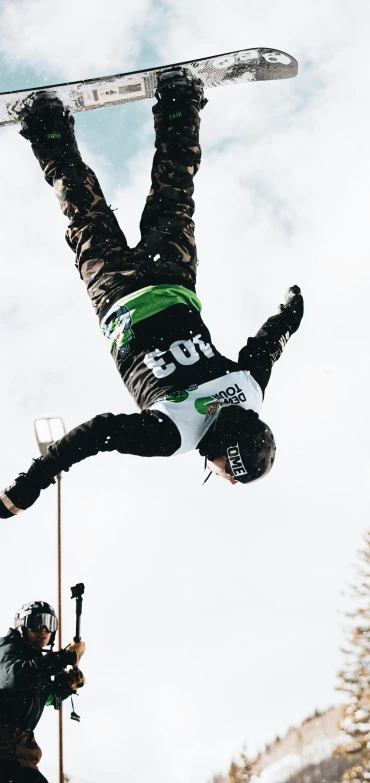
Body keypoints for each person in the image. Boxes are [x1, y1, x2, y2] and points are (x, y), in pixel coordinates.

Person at [0, 67, 303, 520]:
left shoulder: (248, 393)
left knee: (174, 191)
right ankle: (47, 123)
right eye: (225, 471)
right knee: (84, 209)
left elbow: (267, 348)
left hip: (171, 276)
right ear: (227, 452)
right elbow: (94, 435)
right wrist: (28, 487)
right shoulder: (172, 436)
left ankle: (180, 98)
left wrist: (290, 315)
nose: (218, 474)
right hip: (118, 291)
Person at [0, 601, 86, 782]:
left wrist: (65, 687)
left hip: (19, 755)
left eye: (50, 623)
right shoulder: (7, 650)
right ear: (22, 624)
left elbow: (45, 698)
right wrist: (63, 657)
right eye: (37, 622)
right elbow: (15, 678)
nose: (44, 630)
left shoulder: (36, 663)